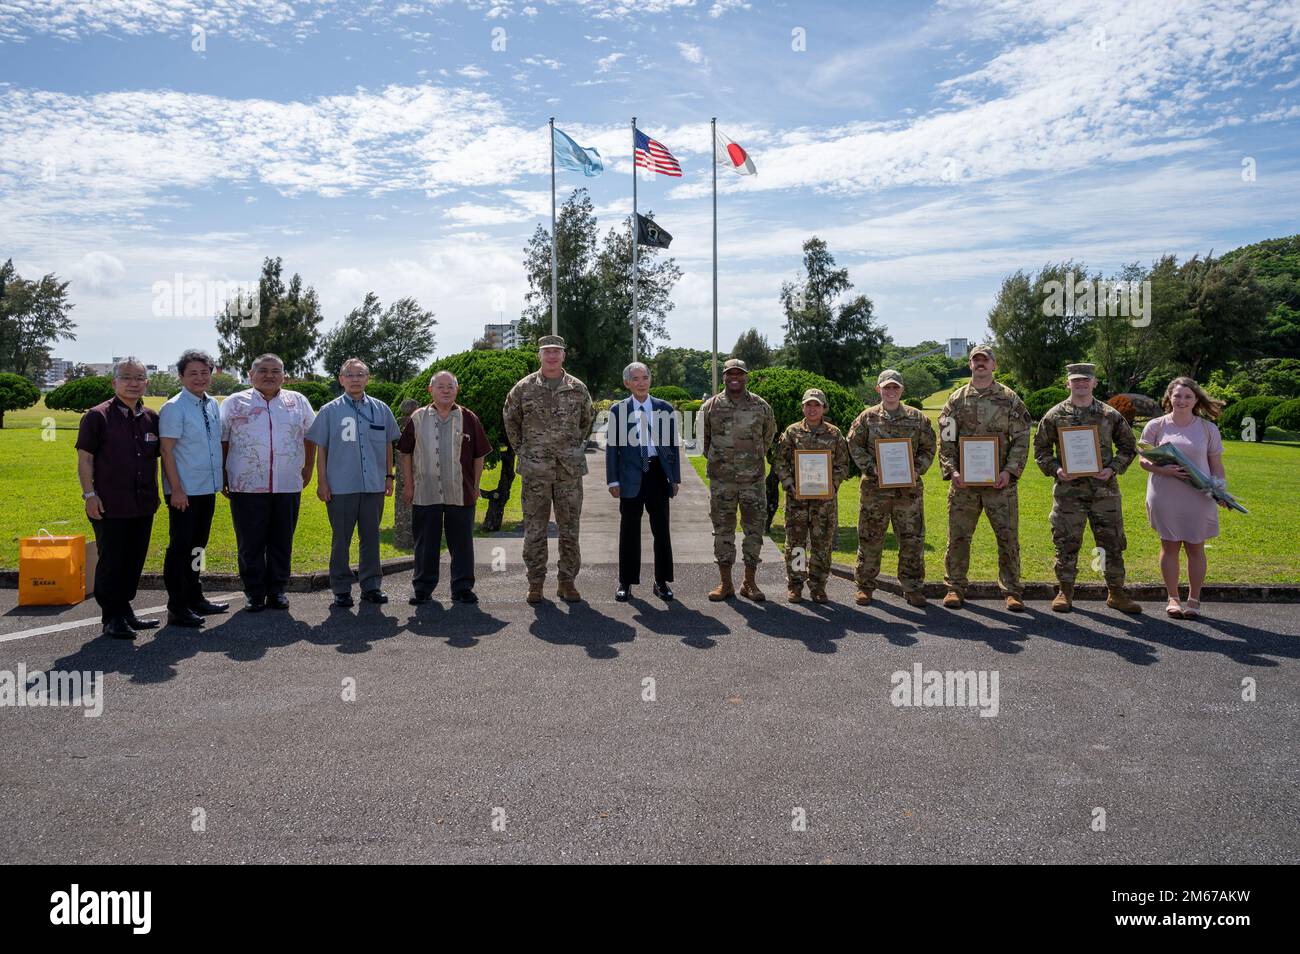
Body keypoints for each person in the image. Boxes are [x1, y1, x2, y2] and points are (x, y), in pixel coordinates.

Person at [1033, 363, 1143, 614]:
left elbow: (1128, 447)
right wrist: (1057, 470)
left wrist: (1113, 468)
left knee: (1111, 543)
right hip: (1068, 493)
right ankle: (1065, 591)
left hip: (1104, 492)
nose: (1081, 384)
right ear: (1068, 383)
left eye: (1086, 380)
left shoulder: (1109, 415)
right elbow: (1040, 450)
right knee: (1066, 543)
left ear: (1094, 383)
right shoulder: (1054, 415)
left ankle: (1116, 593)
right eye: (1076, 380)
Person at [938, 345, 1032, 611]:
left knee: (1007, 538)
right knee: (958, 537)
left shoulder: (1009, 398)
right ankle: (955, 587)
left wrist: (1009, 471)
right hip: (964, 486)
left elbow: (1022, 437)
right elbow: (946, 439)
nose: (980, 364)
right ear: (970, 364)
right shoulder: (956, 400)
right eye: (976, 360)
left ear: (994, 364)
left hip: (999, 485)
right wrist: (952, 471)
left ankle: (1012, 590)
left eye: (985, 360)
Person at [502, 335, 594, 604]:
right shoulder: (524, 388)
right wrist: (524, 451)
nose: (552, 356)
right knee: (534, 529)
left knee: (569, 529)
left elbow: (586, 422)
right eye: (547, 352)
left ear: (563, 356)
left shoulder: (577, 388)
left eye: (557, 352)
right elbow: (510, 419)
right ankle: (535, 582)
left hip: (568, 471)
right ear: (539, 356)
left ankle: (567, 581)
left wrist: (573, 448)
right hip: (535, 471)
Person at [220, 353, 316, 612]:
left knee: (282, 539)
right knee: (250, 541)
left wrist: (309, 466)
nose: (269, 375)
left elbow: (311, 435)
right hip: (246, 484)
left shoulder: (297, 402)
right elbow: (223, 440)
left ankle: (277, 590)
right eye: (263, 370)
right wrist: (223, 473)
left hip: (287, 482)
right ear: (251, 375)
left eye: (276, 370)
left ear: (284, 375)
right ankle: (254, 592)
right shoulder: (234, 403)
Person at [74, 357, 161, 639]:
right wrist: (90, 495)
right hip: (109, 503)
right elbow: (85, 459)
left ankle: (125, 610)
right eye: (127, 377)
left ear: (146, 383)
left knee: (134, 559)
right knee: (112, 560)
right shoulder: (96, 417)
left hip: (143, 502)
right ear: (114, 382)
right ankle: (111, 616)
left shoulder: (151, 417)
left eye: (139, 378)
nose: (133, 383)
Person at [308, 358, 401, 608]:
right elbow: (322, 449)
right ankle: (341, 588)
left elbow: (387, 444)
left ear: (367, 378)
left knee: (371, 537)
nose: (355, 379)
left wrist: (389, 477)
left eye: (360, 374)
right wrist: (322, 482)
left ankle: (371, 586)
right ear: (341, 379)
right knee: (341, 539)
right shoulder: (329, 410)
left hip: (373, 485)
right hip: (340, 487)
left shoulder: (381, 409)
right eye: (350, 375)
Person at [1139, 376, 1228, 619]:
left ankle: (1194, 599)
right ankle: (1173, 597)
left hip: (1199, 495)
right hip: (1165, 494)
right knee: (1169, 546)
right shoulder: (1156, 426)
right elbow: (1143, 460)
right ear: (1169, 397)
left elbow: (1216, 465)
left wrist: (1219, 490)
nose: (1182, 400)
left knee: (1195, 547)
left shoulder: (1208, 429)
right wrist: (1163, 470)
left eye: (1188, 396)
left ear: (1196, 399)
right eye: (1177, 395)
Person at [398, 370, 491, 605]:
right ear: (431, 390)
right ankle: (422, 588)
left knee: (462, 543)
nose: (446, 390)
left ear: (457, 390)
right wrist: (409, 485)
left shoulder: (469, 418)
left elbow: (479, 455)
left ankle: (462, 588)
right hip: (425, 490)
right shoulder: (418, 418)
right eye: (441, 386)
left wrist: (476, 485)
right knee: (425, 542)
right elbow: (405, 452)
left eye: (450, 386)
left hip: (460, 491)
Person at [847, 369, 936, 608]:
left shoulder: (918, 419)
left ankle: (913, 587)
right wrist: (872, 468)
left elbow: (929, 448)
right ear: (878, 389)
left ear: (902, 390)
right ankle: (865, 586)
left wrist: (917, 469)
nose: (891, 392)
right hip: (875, 491)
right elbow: (854, 445)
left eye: (895, 387)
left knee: (912, 540)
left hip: (908, 492)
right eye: (886, 387)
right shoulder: (867, 418)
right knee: (870, 538)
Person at [158, 348, 229, 628]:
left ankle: (195, 596)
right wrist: (176, 489)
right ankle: (177, 606)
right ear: (181, 376)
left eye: (204, 372)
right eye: (192, 373)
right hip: (183, 491)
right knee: (180, 547)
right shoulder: (175, 407)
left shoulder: (212, 404)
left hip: (205, 488)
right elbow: (167, 450)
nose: (200, 378)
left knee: (198, 547)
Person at [701, 358, 776, 601]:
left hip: (752, 481)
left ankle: (749, 582)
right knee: (723, 531)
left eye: (739, 373)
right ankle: (725, 583)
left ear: (746, 377)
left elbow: (768, 435)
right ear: (724, 377)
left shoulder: (760, 406)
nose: (735, 377)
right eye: (730, 373)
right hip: (722, 482)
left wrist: (750, 459)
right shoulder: (710, 406)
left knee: (754, 531)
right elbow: (703, 441)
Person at [606, 361, 681, 602]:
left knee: (661, 530)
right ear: (627, 383)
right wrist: (612, 480)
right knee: (629, 530)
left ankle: (661, 582)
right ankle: (625, 581)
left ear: (650, 380)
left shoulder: (664, 408)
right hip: (629, 477)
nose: (641, 382)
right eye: (636, 378)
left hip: (657, 474)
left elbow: (672, 446)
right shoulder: (618, 410)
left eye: (645, 377)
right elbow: (612, 449)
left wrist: (675, 477)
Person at [775, 389, 848, 603]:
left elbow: (843, 465)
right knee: (796, 545)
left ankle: (818, 586)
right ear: (803, 407)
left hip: (824, 502)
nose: (812, 409)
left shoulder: (834, 434)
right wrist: (789, 485)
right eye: (808, 405)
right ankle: (795, 584)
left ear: (824, 408)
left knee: (822, 544)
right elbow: (780, 462)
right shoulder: (792, 432)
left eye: (817, 405)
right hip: (797, 500)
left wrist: (833, 486)